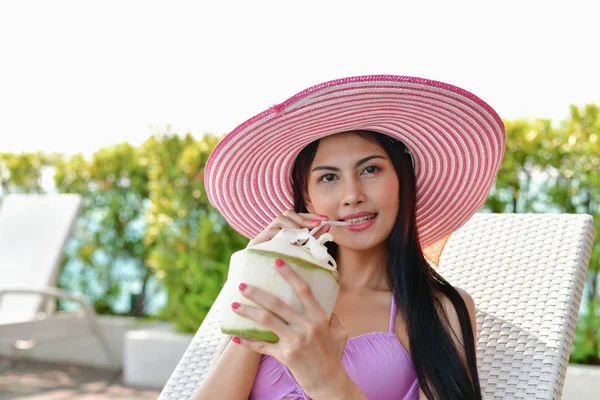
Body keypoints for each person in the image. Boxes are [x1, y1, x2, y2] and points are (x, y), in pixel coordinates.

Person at [192, 75, 506, 399]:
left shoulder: (441, 310)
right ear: (309, 199)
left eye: (370, 170)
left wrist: (327, 381)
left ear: (403, 180)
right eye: (329, 177)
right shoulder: (279, 293)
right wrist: (261, 276)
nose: (351, 195)